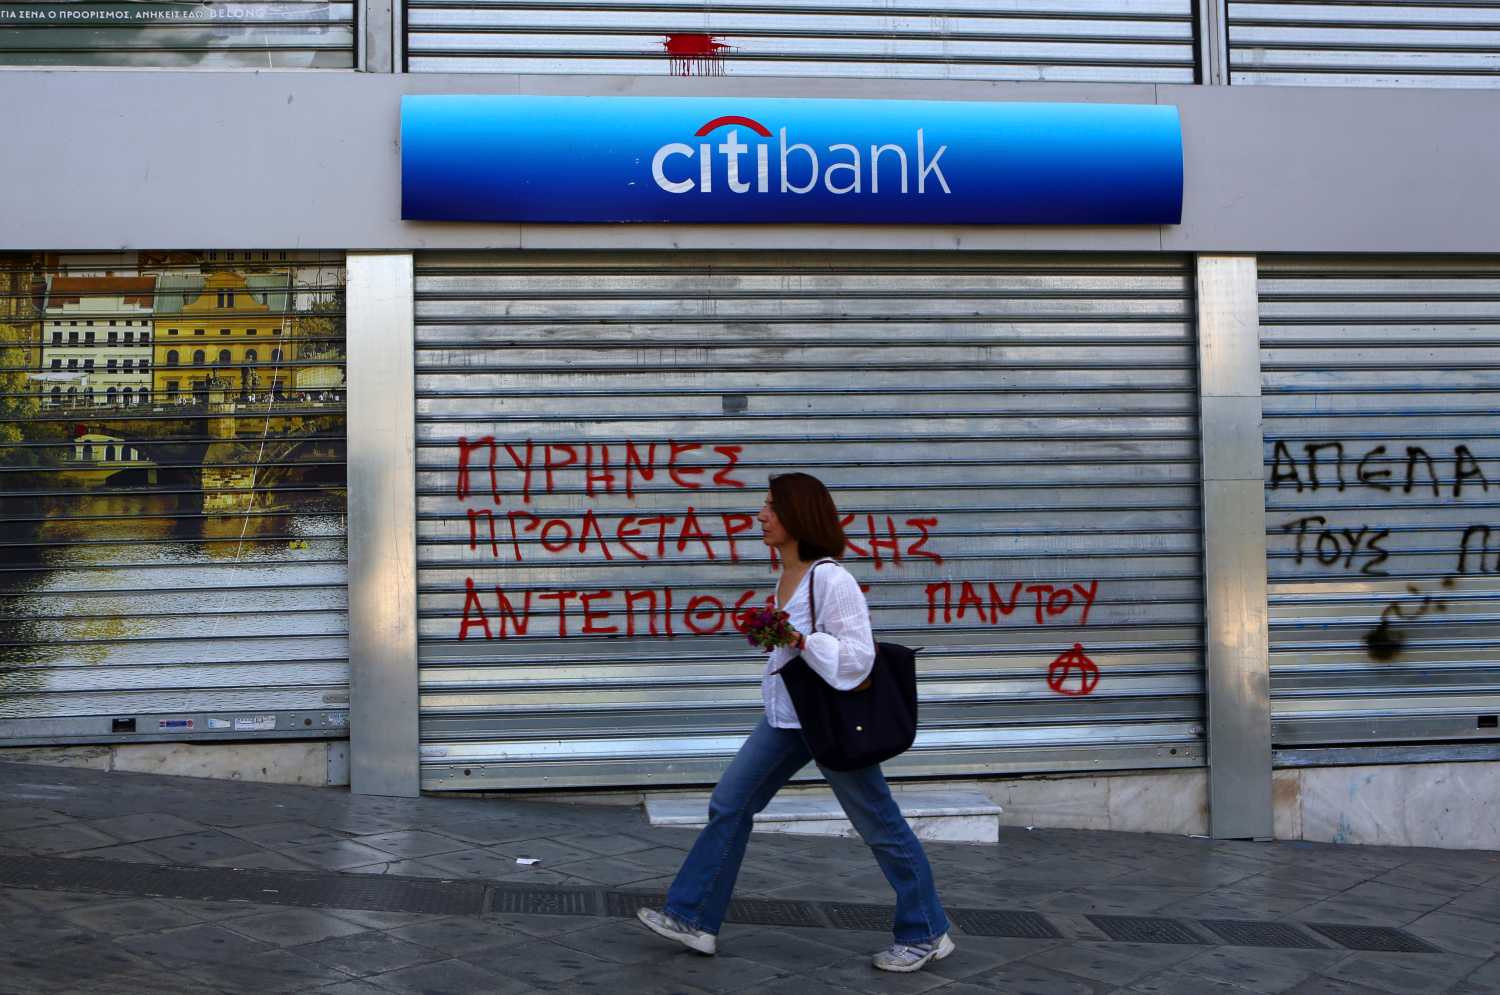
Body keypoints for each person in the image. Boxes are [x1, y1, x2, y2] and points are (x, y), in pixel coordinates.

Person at [637, 472, 954, 974]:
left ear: (798, 515)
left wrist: (801, 641)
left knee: (879, 824)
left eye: (772, 507)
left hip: (829, 722)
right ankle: (692, 918)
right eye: (764, 506)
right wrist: (781, 638)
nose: (761, 516)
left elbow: (858, 657)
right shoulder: (789, 574)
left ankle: (926, 932)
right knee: (730, 804)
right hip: (787, 718)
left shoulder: (831, 579)